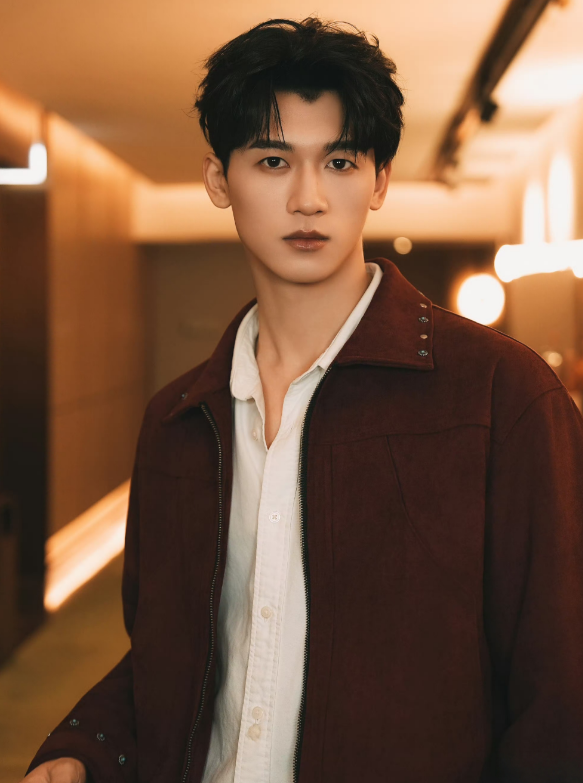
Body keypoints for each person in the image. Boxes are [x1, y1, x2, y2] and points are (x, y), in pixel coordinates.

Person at [21, 16, 583, 783]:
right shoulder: (178, 420)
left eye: (340, 161)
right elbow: (172, 658)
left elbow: (560, 693)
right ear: (219, 180)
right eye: (272, 160)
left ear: (378, 180)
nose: (308, 198)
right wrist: (83, 747)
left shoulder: (500, 394)